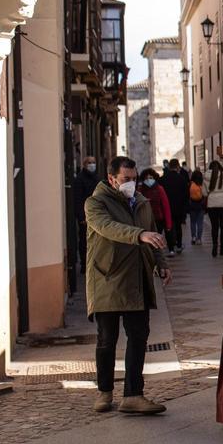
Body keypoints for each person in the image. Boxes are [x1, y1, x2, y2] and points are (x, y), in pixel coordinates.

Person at [84, 156, 172, 414]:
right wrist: (139, 235)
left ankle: (133, 394)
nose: (132, 183)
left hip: (137, 279)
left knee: (138, 337)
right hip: (107, 278)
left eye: (134, 179)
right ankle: (104, 392)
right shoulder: (95, 203)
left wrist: (161, 262)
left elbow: (153, 233)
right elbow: (107, 228)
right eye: (126, 179)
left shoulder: (142, 203)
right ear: (112, 179)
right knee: (106, 339)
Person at [71, 155, 99, 277]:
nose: (92, 165)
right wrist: (81, 217)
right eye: (90, 162)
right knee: (84, 241)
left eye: (93, 162)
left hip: (97, 215)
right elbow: (77, 200)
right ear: (84, 164)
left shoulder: (97, 178)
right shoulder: (79, 179)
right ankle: (85, 264)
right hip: (85, 217)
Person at [160, 159, 190, 254]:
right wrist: (184, 206)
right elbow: (186, 193)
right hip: (179, 207)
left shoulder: (163, 179)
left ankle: (171, 248)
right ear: (177, 166)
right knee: (178, 226)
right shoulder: (181, 178)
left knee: (168, 227)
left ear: (169, 166)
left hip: (167, 207)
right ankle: (179, 245)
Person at [205, 160, 223, 257]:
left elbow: (204, 193)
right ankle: (222, 248)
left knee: (214, 226)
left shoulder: (206, 178)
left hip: (211, 203)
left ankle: (214, 247)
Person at [137, 169, 173, 240]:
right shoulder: (140, 190)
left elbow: (166, 206)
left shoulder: (159, 189)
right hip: (145, 220)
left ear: (154, 178)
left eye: (150, 178)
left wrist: (168, 224)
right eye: (146, 178)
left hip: (158, 219)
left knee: (156, 239)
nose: (148, 180)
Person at [188, 169, 207, 246]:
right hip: (200, 205)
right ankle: (199, 239)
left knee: (192, 222)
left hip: (192, 205)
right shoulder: (202, 184)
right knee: (200, 223)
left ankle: (193, 237)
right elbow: (205, 194)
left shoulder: (190, 184)